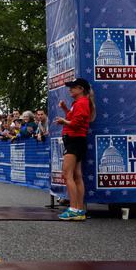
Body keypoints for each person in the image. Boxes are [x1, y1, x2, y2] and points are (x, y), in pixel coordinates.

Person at [54, 78, 96, 221]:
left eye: (73, 87)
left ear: (81, 89)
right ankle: (78, 210)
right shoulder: (79, 103)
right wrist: (66, 110)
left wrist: (63, 121)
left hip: (75, 141)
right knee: (77, 175)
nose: (70, 89)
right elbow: (75, 119)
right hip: (75, 140)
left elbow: (77, 124)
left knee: (67, 174)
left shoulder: (82, 102)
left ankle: (73, 209)